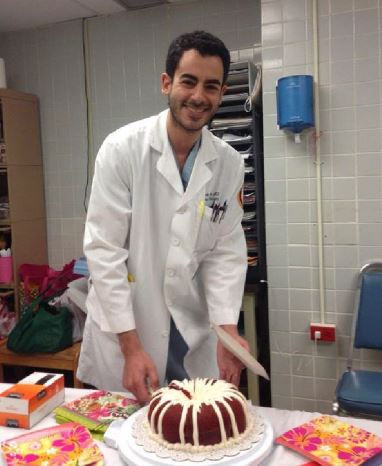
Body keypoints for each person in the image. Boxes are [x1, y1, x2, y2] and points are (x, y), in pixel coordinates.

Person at [77, 30, 249, 404]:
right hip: (127, 328)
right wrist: (130, 346)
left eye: (211, 86)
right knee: (120, 446)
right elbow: (104, 251)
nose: (198, 96)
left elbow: (225, 253)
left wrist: (226, 330)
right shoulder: (122, 149)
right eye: (188, 81)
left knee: (189, 437)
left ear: (221, 94)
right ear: (166, 83)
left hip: (188, 332)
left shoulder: (229, 163)